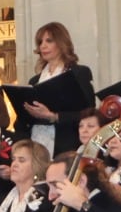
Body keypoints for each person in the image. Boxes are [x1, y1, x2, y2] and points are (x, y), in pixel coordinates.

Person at [18, 22, 95, 155]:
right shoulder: (34, 81)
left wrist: (54, 116)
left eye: (49, 41)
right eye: (40, 42)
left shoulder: (78, 73)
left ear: (61, 43)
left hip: (65, 144)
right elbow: (22, 120)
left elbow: (89, 113)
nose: (43, 46)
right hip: (36, 143)